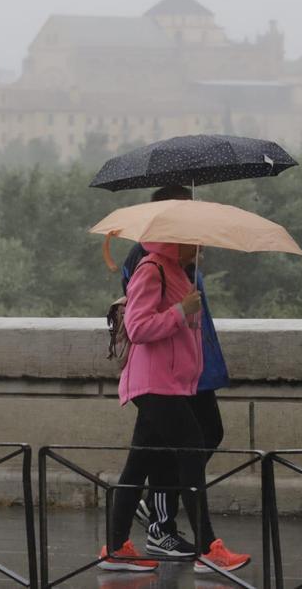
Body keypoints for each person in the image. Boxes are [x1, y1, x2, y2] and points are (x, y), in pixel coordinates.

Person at [97, 237, 250, 574]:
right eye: (194, 241)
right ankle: (209, 549)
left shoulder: (179, 271)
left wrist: (186, 313)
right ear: (175, 241)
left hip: (171, 383)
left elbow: (182, 331)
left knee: (138, 465)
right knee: (192, 450)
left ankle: (116, 547)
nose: (202, 247)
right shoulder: (151, 269)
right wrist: (182, 311)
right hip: (154, 384)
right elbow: (138, 327)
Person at [122, 185, 228, 558]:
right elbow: (141, 321)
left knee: (170, 450)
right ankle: (166, 526)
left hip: (190, 370)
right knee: (181, 448)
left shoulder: (181, 260)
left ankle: (131, 535)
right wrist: (181, 310)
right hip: (162, 376)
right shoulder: (149, 258)